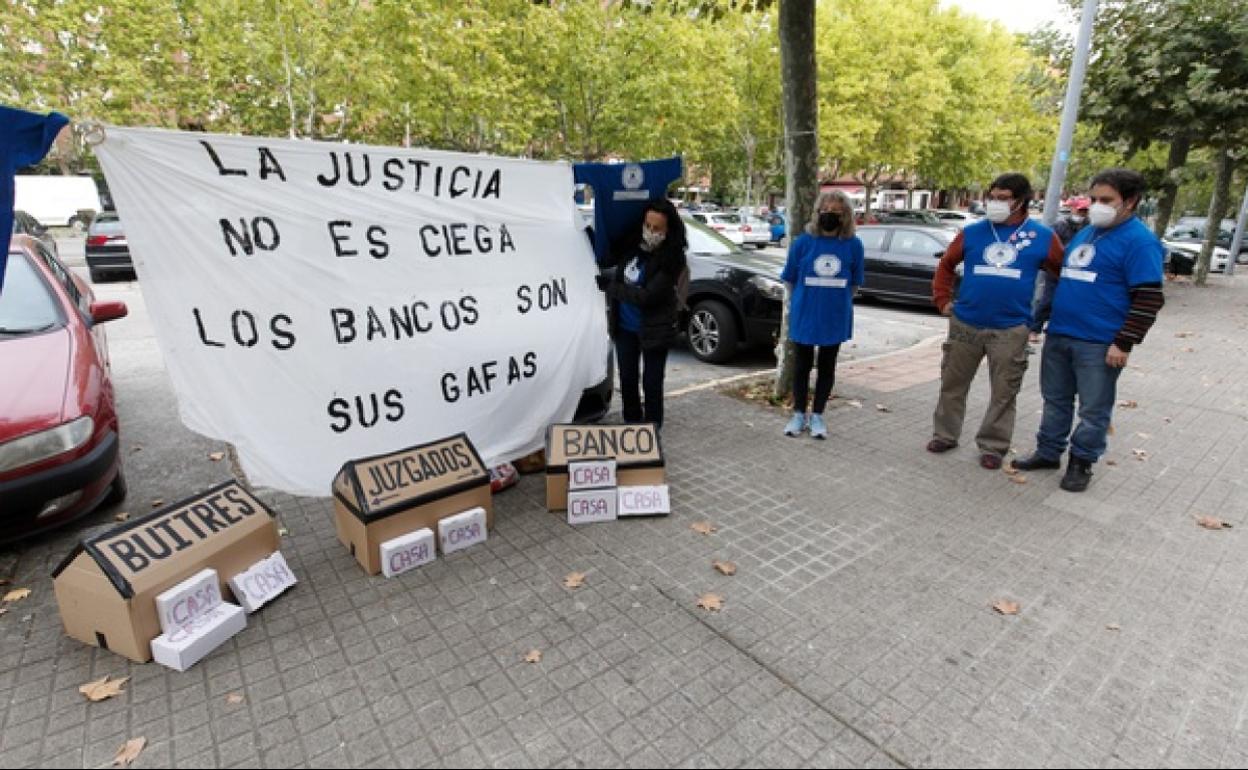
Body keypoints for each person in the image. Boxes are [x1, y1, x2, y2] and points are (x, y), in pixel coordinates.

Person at [1013, 168, 1165, 492]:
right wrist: (1038, 322)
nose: (1097, 206)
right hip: (1061, 333)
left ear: (1131, 201)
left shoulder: (1140, 242)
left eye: (1106, 200)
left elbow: (1149, 297)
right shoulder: (1087, 233)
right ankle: (1049, 451)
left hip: (1099, 343)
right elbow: (1059, 282)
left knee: (1093, 409)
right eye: (1094, 199)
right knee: (1055, 399)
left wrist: (1123, 343)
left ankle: (1082, 462)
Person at [928, 173, 1064, 469]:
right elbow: (946, 265)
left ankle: (993, 445)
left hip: (1011, 328)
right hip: (966, 322)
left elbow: (1062, 275)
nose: (995, 203)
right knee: (952, 384)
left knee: (1004, 392)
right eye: (993, 197)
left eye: (1004, 198)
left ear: (1022, 201)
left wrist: (1045, 315)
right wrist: (943, 300)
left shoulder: (1042, 237)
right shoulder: (973, 232)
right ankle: (945, 434)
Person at [595, 199, 688, 430]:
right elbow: (608, 259)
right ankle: (632, 427)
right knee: (627, 380)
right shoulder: (632, 248)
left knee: (652, 383)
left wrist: (610, 287)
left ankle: (652, 430)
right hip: (625, 328)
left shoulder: (673, 258)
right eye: (648, 226)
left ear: (669, 230)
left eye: (657, 229)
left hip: (655, 330)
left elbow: (647, 297)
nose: (651, 232)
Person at [780, 190, 864, 439]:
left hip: (834, 315)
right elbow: (790, 280)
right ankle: (798, 414)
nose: (830, 215)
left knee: (827, 367)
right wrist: (804, 301)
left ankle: (817, 415)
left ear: (846, 216)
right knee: (802, 367)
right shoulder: (803, 243)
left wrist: (835, 302)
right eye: (825, 211)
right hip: (805, 314)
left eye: (836, 212)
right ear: (817, 213)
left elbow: (854, 284)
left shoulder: (853, 245)